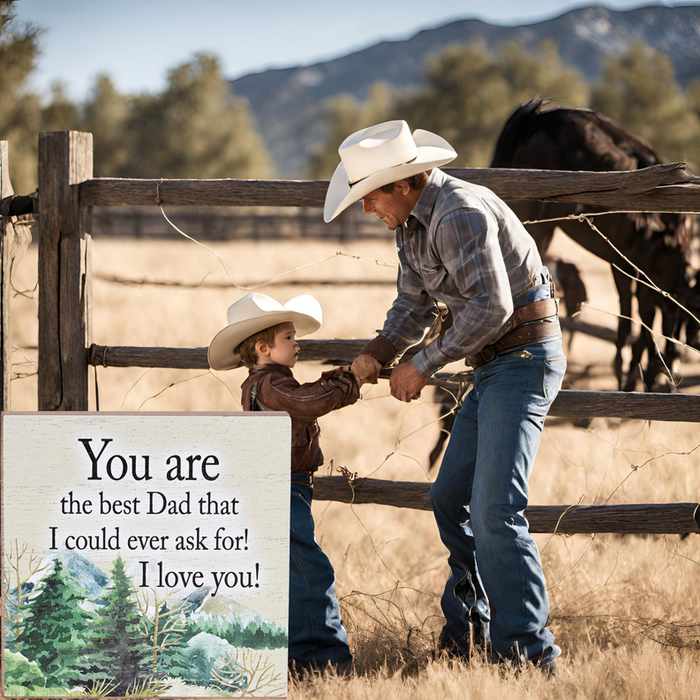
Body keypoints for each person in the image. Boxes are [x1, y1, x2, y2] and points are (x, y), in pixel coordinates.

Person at [324, 120, 567, 671]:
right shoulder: (412, 225)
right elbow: (412, 307)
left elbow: (490, 308)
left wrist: (422, 365)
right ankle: (471, 629)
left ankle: (527, 654)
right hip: (494, 366)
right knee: (449, 498)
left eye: (370, 196)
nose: (365, 210)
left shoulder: (458, 211)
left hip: (524, 360)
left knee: (495, 511)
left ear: (404, 183)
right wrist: (377, 353)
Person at [208, 292, 360, 674]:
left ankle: (294, 654)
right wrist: (349, 380)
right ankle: (325, 659)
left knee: (294, 569)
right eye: (289, 338)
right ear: (263, 347)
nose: (298, 343)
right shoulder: (273, 386)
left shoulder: (264, 383)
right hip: (283, 487)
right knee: (310, 570)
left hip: (281, 486)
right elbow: (309, 402)